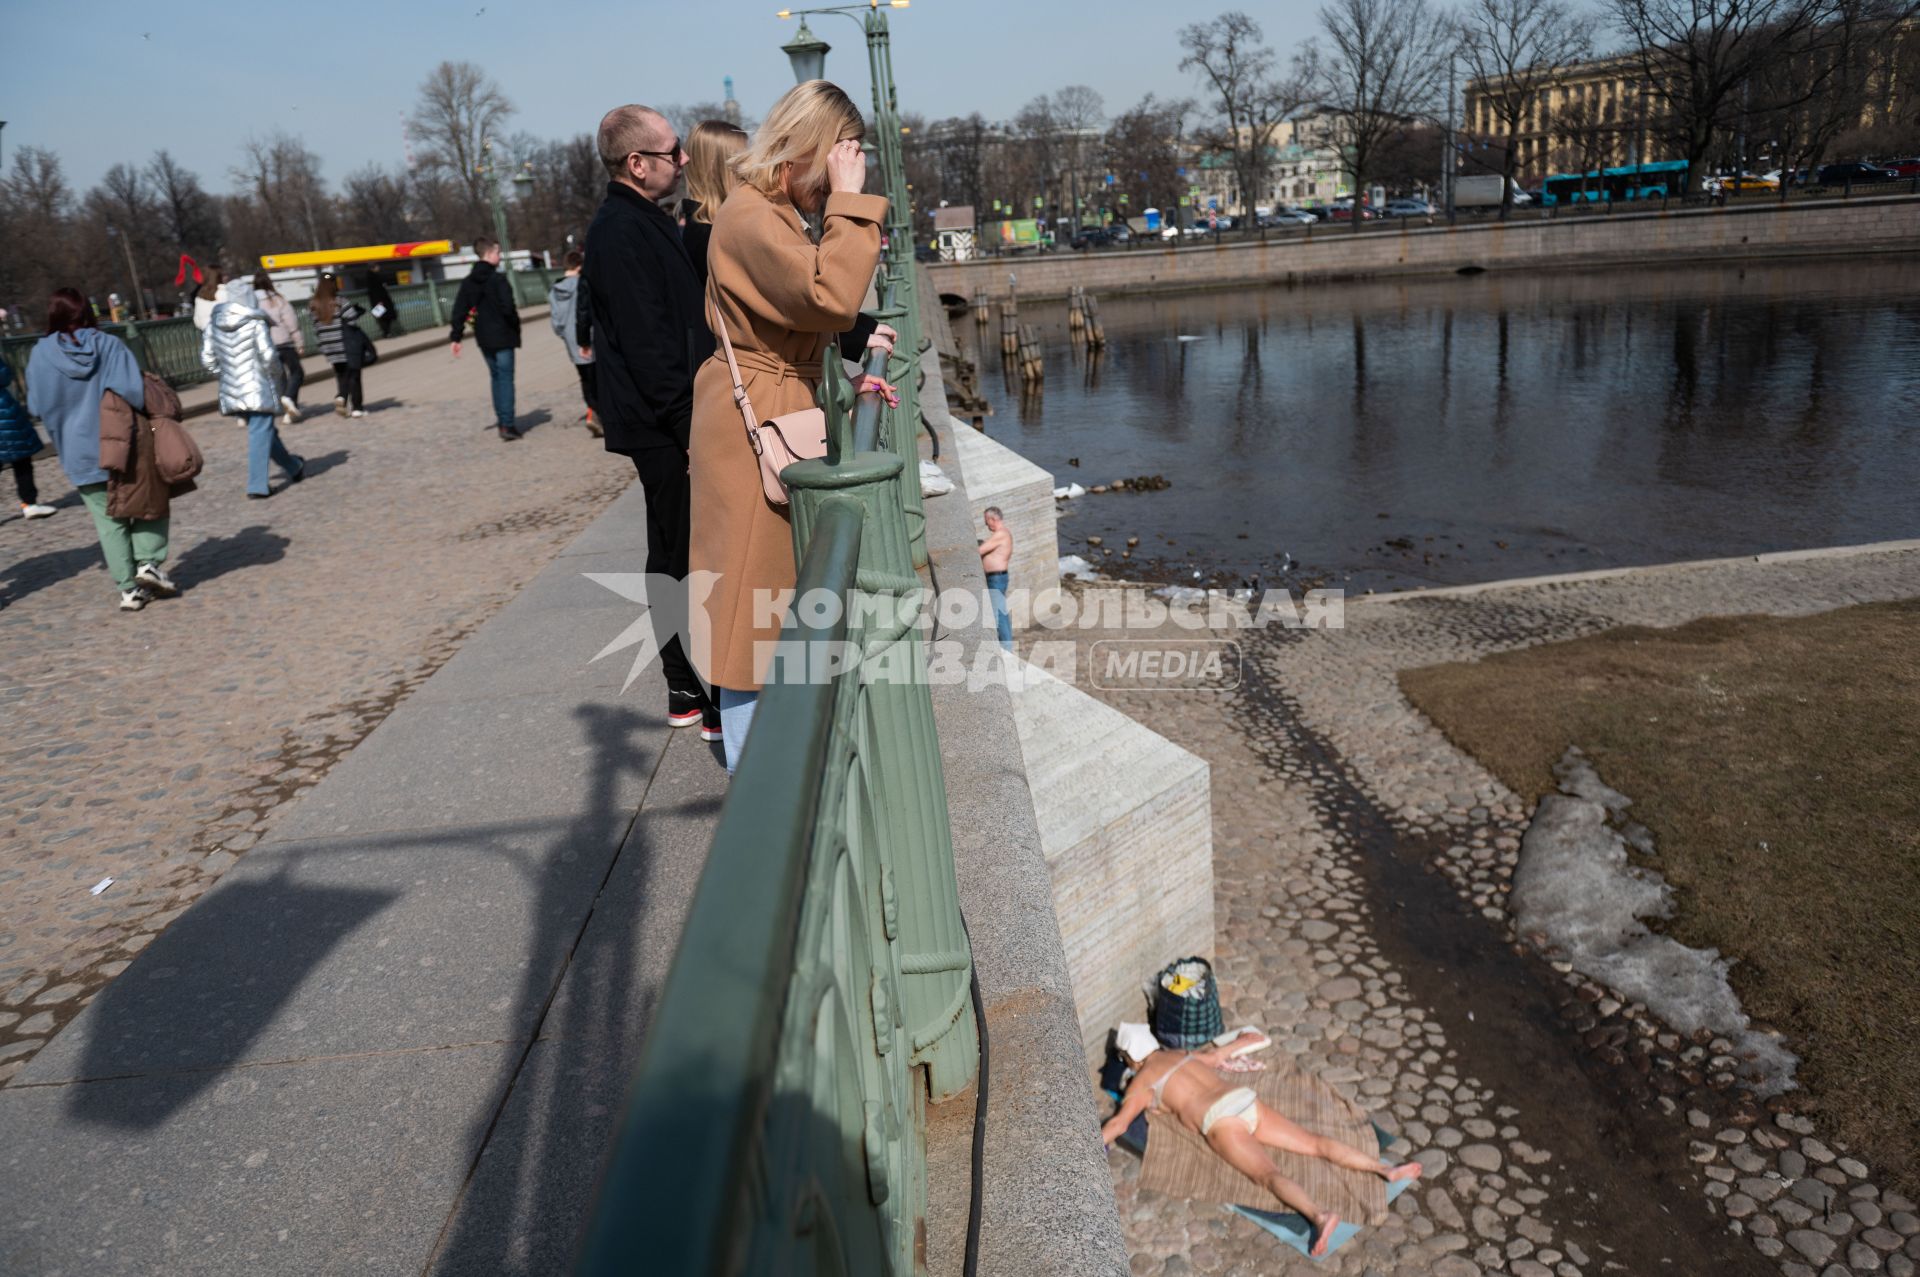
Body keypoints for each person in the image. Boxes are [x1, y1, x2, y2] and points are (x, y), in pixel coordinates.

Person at [689, 81, 898, 773]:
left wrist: (858, 348)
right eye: (843, 152)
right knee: (750, 620)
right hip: (759, 419)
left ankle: (780, 772)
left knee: (771, 610)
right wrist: (849, 201)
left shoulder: (764, 213)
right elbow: (830, 295)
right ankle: (758, 789)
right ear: (810, 147)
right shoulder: (751, 218)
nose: (850, 166)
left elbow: (815, 309)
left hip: (778, 404)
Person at [579, 104, 716, 738]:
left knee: (678, 548)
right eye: (672, 152)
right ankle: (691, 682)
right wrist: (692, 431)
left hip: (668, 420)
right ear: (637, 164)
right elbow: (650, 346)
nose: (683, 160)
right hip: (666, 426)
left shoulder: (639, 221)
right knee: (678, 553)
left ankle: (691, 683)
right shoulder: (619, 231)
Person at [1101, 1023, 1424, 1258]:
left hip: (1221, 1121)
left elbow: (1118, 1124)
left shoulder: (1141, 1083)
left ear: (1130, 1058)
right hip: (1243, 1099)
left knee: (1269, 1176)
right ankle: (1385, 1170)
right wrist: (1242, 1040)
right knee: (1314, 1142)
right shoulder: (1180, 1054)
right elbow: (1217, 1057)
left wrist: (1093, 1145)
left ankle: (1320, 1215)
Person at [26, 288, 174, 610]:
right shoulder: (108, 345)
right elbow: (134, 394)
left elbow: (36, 405)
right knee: (152, 500)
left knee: (108, 521)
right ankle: (147, 563)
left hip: (77, 452)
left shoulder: (39, 355)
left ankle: (128, 590)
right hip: (123, 445)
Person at [202, 275, 306, 499]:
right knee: (260, 431)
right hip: (257, 385)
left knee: (264, 430)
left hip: (232, 388)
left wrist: (227, 375)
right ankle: (257, 485)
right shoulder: (255, 322)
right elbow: (269, 356)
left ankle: (293, 467)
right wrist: (277, 377)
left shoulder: (214, 323)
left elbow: (208, 359)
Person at [449, 237, 523, 441]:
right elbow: (509, 308)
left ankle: (502, 420)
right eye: (497, 253)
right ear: (489, 254)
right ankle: (507, 424)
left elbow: (459, 310)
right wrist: (515, 327)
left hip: (483, 337)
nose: (499, 256)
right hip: (503, 335)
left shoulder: (468, 282)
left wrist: (456, 337)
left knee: (496, 377)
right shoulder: (498, 280)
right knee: (506, 378)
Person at [680, 118, 748, 293]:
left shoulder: (711, 226)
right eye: (743, 161)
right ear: (722, 169)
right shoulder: (706, 235)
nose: (751, 169)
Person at [547, 250, 599, 436]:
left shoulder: (555, 289)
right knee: (597, 378)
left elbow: (556, 322)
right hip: (587, 338)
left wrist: (565, 336)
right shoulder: (582, 284)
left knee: (585, 379)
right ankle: (597, 413)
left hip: (570, 341)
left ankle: (591, 411)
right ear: (579, 266)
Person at [1, 360, 56, 519]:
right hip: (5, 414)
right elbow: (4, 376)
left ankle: (29, 504)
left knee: (22, 461)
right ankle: (29, 504)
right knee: (22, 462)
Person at [312, 273, 369, 418]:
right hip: (344, 342)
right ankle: (357, 407)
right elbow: (351, 319)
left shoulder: (314, 304)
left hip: (328, 346)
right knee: (354, 375)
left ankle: (341, 398)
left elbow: (315, 326)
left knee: (341, 374)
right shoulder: (339, 301)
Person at [253, 273, 304, 424]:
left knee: (278, 377)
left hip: (264, 345)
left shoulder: (252, 302)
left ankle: (286, 408)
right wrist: (299, 343)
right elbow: (292, 323)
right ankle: (290, 401)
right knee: (297, 373)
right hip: (284, 342)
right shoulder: (278, 300)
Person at [979, 506, 1014, 650]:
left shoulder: (1001, 534)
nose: (986, 524)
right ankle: (1006, 647)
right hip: (997, 578)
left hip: (996, 579)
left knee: (999, 615)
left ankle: (1006, 650)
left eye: (987, 521)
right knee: (1000, 613)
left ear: (993, 519)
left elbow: (980, 551)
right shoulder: (1002, 533)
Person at [364, 267, 400, 337]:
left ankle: (387, 332)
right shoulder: (373, 278)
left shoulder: (372, 277)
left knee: (382, 317)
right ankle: (387, 332)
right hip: (380, 301)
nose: (378, 268)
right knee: (384, 317)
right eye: (377, 267)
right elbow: (375, 290)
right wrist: (378, 300)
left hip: (378, 301)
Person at [191, 266, 226, 331]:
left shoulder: (200, 296)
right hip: (225, 333)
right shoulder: (225, 292)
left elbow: (198, 321)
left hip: (208, 334)